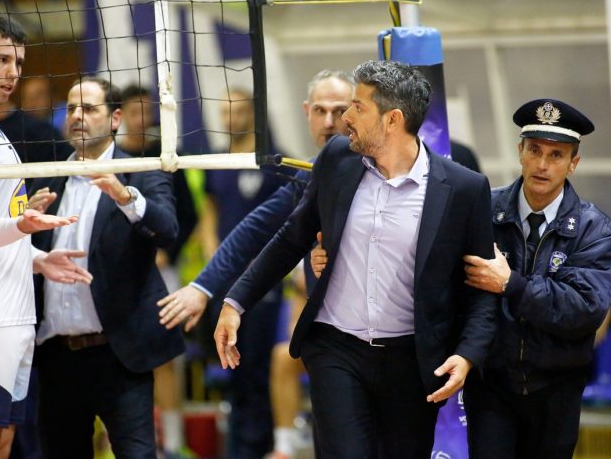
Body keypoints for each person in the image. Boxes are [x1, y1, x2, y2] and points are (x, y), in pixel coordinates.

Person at [213, 60, 498, 458]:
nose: (344, 118)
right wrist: (235, 302)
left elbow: (483, 288)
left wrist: (467, 354)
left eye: (358, 107)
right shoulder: (337, 158)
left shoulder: (464, 188)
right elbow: (292, 237)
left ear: (392, 120)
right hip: (336, 349)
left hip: (411, 360)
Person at [158, 69, 354, 459]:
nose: (330, 121)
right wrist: (206, 288)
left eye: (340, 110)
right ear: (307, 112)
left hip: (389, 338)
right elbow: (258, 231)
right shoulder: (309, 175)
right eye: (320, 110)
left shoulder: (379, 168)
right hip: (328, 337)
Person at [29, 76, 185, 459]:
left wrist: (125, 196)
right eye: (71, 108)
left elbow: (167, 231)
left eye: (89, 108)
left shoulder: (141, 170)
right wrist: (21, 225)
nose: (77, 116)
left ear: (115, 119)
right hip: (55, 357)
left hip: (118, 355)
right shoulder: (45, 175)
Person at [462, 98, 611, 459]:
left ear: (573, 163)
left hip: (557, 390)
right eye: (534, 150)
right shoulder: (481, 210)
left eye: (556, 155)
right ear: (520, 151)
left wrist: (511, 284)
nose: (542, 164)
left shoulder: (595, 230)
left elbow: (583, 309)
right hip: (490, 387)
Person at [0, 12, 92, 459]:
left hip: (16, 313)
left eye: (18, 62)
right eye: (1, 60)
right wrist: (23, 226)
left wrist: (37, 258)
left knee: (3, 441)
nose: (13, 73)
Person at [117, 83, 198, 459]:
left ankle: (173, 442)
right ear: (120, 115)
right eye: (134, 111)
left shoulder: (164, 155)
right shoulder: (110, 158)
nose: (141, 118)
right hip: (118, 273)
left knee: (166, 359)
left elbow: (189, 215)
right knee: (115, 359)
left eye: (146, 110)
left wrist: (168, 251)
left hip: (161, 274)